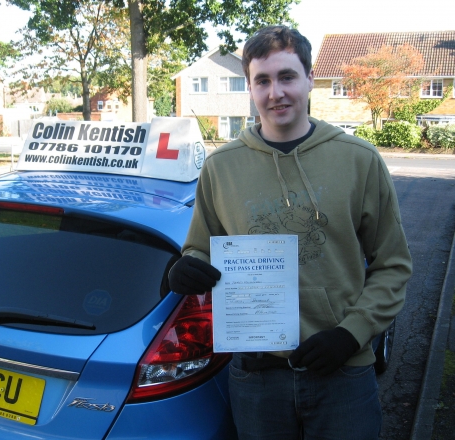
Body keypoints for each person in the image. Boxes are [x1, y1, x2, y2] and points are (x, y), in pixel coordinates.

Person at [168, 25, 412, 439]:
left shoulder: (359, 160)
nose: (275, 92)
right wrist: (186, 267)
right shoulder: (221, 167)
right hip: (257, 377)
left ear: (310, 79)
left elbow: (393, 265)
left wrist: (350, 335)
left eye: (287, 77)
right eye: (262, 80)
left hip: (342, 373)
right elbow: (201, 249)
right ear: (249, 87)